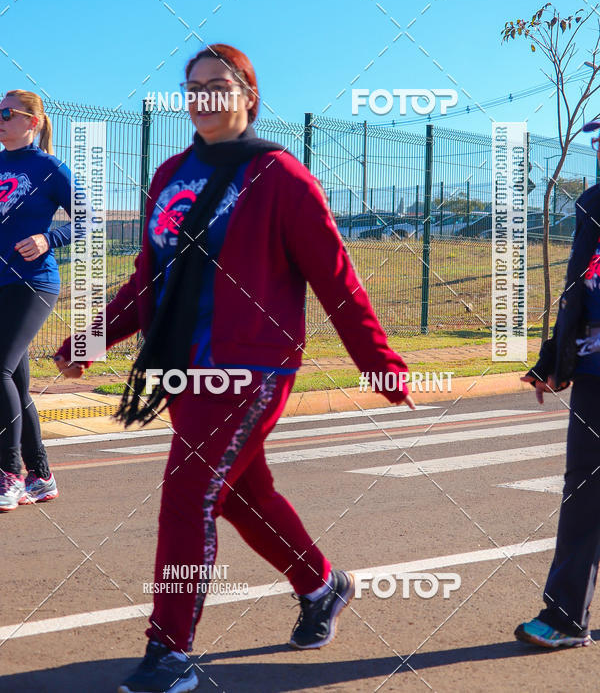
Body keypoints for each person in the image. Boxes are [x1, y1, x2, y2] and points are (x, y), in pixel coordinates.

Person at [55, 44, 414, 693]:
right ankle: (321, 584)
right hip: (182, 369)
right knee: (242, 497)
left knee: (190, 494)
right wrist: (91, 339)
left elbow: (335, 278)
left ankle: (170, 653)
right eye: (193, 87)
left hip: (250, 365)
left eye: (219, 86)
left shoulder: (280, 177)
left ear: (249, 94)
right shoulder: (170, 174)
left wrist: (380, 365)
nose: (204, 98)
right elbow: (148, 281)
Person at [516, 120, 600, 649]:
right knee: (585, 489)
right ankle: (567, 615)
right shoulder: (593, 200)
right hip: (596, 370)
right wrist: (554, 356)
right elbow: (576, 286)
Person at [0, 90, 71, 511]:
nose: (0, 118)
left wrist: (50, 237)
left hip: (34, 282)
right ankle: (41, 476)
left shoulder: (48, 168)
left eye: (7, 112)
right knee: (16, 383)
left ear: (33, 121)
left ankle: (9, 473)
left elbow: (89, 216)